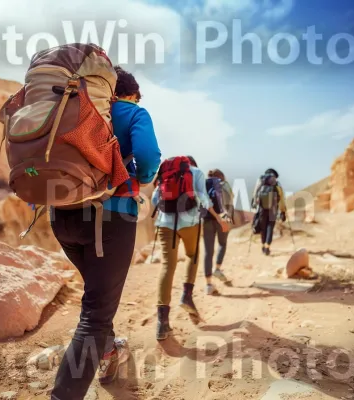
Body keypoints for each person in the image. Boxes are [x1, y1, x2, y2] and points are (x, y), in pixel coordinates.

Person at [50, 66, 161, 400]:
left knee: (98, 295)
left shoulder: (68, 109)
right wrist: (139, 179)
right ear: (128, 93)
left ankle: (110, 353)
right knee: (96, 315)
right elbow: (148, 156)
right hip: (107, 220)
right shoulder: (131, 112)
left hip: (61, 217)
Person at [152, 156, 229, 340]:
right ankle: (186, 295)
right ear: (192, 164)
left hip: (164, 223)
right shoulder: (197, 173)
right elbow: (204, 198)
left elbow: (155, 199)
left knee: (167, 266)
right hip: (189, 223)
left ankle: (162, 323)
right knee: (192, 255)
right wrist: (218, 218)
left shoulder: (165, 171)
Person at [202, 169, 233, 295]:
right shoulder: (224, 185)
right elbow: (229, 202)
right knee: (222, 243)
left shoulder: (203, 184)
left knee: (208, 251)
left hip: (207, 219)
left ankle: (208, 284)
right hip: (222, 218)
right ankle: (218, 269)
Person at [251, 168, 287, 256]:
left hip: (262, 207)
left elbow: (255, 192)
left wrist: (254, 203)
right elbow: (282, 199)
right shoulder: (277, 185)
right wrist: (283, 211)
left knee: (263, 227)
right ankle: (267, 247)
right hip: (273, 208)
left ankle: (263, 245)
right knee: (270, 226)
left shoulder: (261, 181)